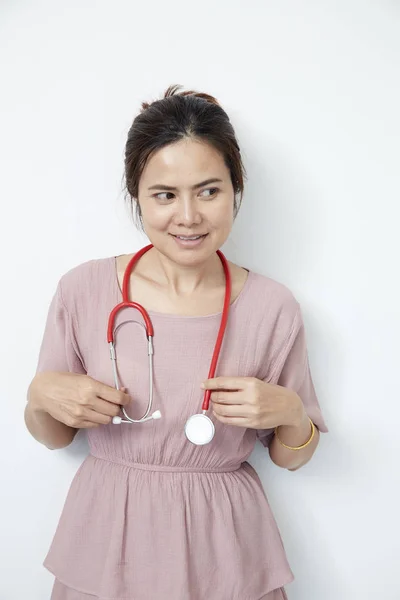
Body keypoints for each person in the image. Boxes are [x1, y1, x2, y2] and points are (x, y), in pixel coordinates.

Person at [25, 84, 328, 600]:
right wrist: (39, 396)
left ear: (236, 190)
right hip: (108, 538)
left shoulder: (272, 307)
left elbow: (293, 455)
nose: (188, 217)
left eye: (209, 191)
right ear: (137, 197)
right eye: (164, 195)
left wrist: (292, 412)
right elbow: (54, 436)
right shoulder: (84, 290)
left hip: (225, 547)